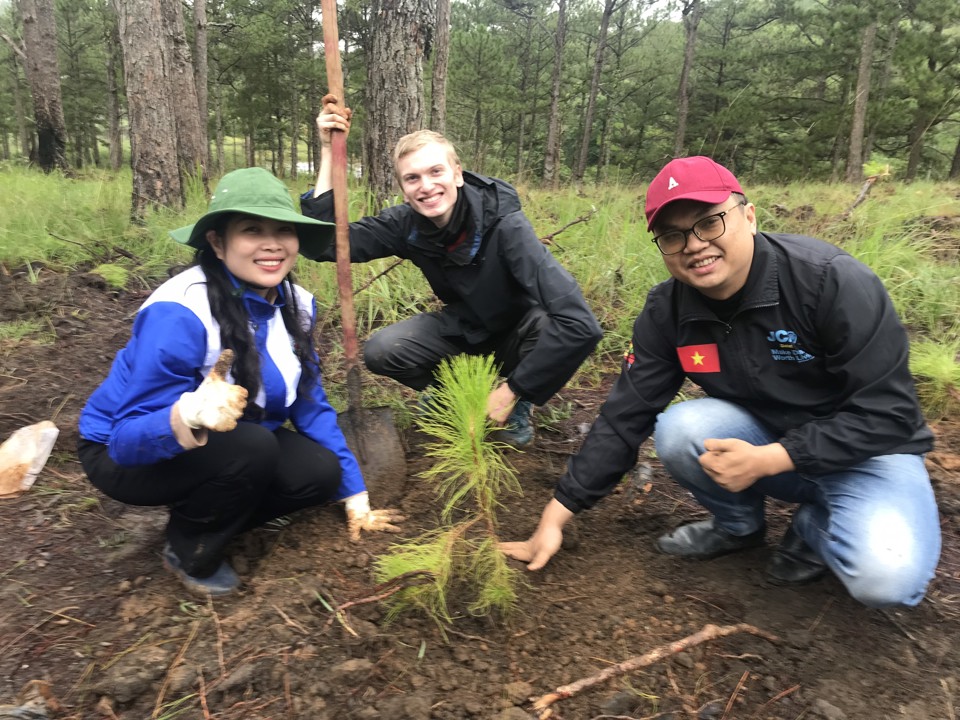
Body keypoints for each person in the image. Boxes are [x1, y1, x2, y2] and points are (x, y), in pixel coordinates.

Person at [501, 156, 942, 609]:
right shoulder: (668, 312)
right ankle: (738, 527)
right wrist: (556, 515)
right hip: (772, 442)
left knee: (886, 579)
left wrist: (776, 456)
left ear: (748, 216)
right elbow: (624, 417)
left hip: (868, 452)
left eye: (709, 223)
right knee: (681, 428)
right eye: (672, 235)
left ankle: (816, 525)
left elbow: (890, 415)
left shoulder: (829, 281)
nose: (693, 245)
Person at [78, 168, 403, 597]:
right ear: (217, 241)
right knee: (254, 448)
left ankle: (201, 509)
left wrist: (353, 489)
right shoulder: (181, 311)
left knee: (318, 472)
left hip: (230, 441)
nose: (272, 244)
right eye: (252, 230)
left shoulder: (295, 304)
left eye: (284, 230)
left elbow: (309, 400)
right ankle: (188, 547)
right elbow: (124, 440)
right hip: (125, 454)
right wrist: (189, 412)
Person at [299, 97, 603, 446]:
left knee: (551, 324)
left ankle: (517, 402)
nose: (426, 186)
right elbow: (324, 245)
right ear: (404, 190)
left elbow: (582, 325)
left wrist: (512, 390)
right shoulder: (406, 225)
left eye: (435, 172)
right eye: (412, 178)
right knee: (383, 349)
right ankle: (456, 396)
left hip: (520, 332)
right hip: (466, 328)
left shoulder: (505, 224)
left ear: (457, 174)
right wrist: (327, 150)